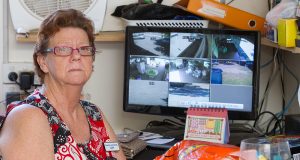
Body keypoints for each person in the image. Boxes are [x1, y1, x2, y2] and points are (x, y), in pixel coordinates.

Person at [0, 9, 126, 160]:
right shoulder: (28, 117)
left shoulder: (94, 113)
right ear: (43, 62)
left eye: (84, 49)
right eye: (63, 49)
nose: (77, 56)